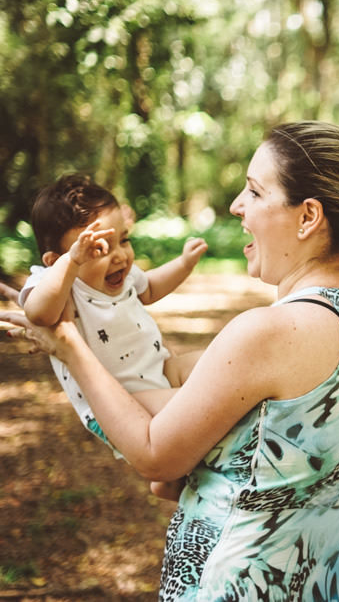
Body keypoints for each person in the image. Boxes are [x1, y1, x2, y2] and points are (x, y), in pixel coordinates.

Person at [0, 121, 339, 600]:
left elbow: (154, 454)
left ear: (308, 216)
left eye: (253, 191)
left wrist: (68, 341)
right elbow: (242, 398)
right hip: (330, 580)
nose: (236, 205)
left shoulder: (269, 331)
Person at [18, 174, 207, 453]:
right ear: (55, 261)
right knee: (193, 412)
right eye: (99, 249)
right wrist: (71, 262)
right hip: (122, 400)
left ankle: (171, 481)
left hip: (161, 368)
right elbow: (39, 314)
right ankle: (173, 479)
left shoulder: (125, 274)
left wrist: (184, 264)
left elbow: (151, 288)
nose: (119, 255)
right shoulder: (55, 284)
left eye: (124, 239)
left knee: (213, 365)